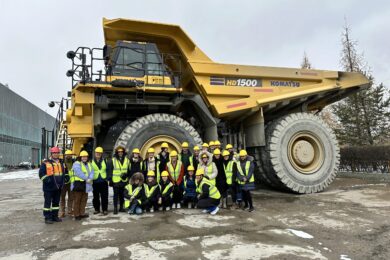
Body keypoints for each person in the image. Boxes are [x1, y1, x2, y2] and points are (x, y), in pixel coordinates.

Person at [39, 147, 65, 224]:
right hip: (49, 188)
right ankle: (47, 218)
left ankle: (55, 216)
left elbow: (64, 172)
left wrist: (66, 177)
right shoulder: (45, 163)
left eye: (57, 153)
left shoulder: (61, 162)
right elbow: (41, 174)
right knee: (47, 203)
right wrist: (47, 180)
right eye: (54, 153)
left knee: (56, 203)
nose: (56, 154)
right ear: (51, 154)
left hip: (58, 187)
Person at [72, 151, 94, 220]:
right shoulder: (77, 163)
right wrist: (86, 178)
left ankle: (82, 213)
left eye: (86, 156)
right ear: (80, 157)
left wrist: (90, 178)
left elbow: (92, 171)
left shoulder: (89, 164)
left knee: (84, 199)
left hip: (86, 185)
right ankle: (77, 214)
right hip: (78, 184)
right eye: (83, 156)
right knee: (77, 200)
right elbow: (78, 173)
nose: (85, 158)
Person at [109, 146, 129, 214]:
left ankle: (121, 207)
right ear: (117, 153)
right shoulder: (113, 160)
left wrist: (126, 175)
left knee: (122, 195)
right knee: (116, 195)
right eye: (119, 152)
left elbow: (128, 170)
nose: (120, 153)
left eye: (121, 152)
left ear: (123, 152)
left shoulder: (127, 160)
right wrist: (111, 180)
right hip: (116, 180)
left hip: (123, 180)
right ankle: (115, 208)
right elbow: (110, 170)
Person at [91, 147, 109, 215]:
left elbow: (107, 169)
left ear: (101, 154)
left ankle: (105, 209)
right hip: (95, 181)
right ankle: (97, 209)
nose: (98, 154)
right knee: (95, 197)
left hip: (103, 181)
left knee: (104, 196)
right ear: (95, 153)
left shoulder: (105, 160)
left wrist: (107, 178)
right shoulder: (91, 161)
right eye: (97, 153)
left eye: (99, 153)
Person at [59, 149, 74, 218]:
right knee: (62, 197)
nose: (69, 156)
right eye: (67, 155)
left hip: (71, 182)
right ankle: (62, 211)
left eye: (70, 155)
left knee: (71, 197)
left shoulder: (74, 162)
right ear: (65, 155)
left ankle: (69, 210)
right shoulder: (61, 162)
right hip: (63, 183)